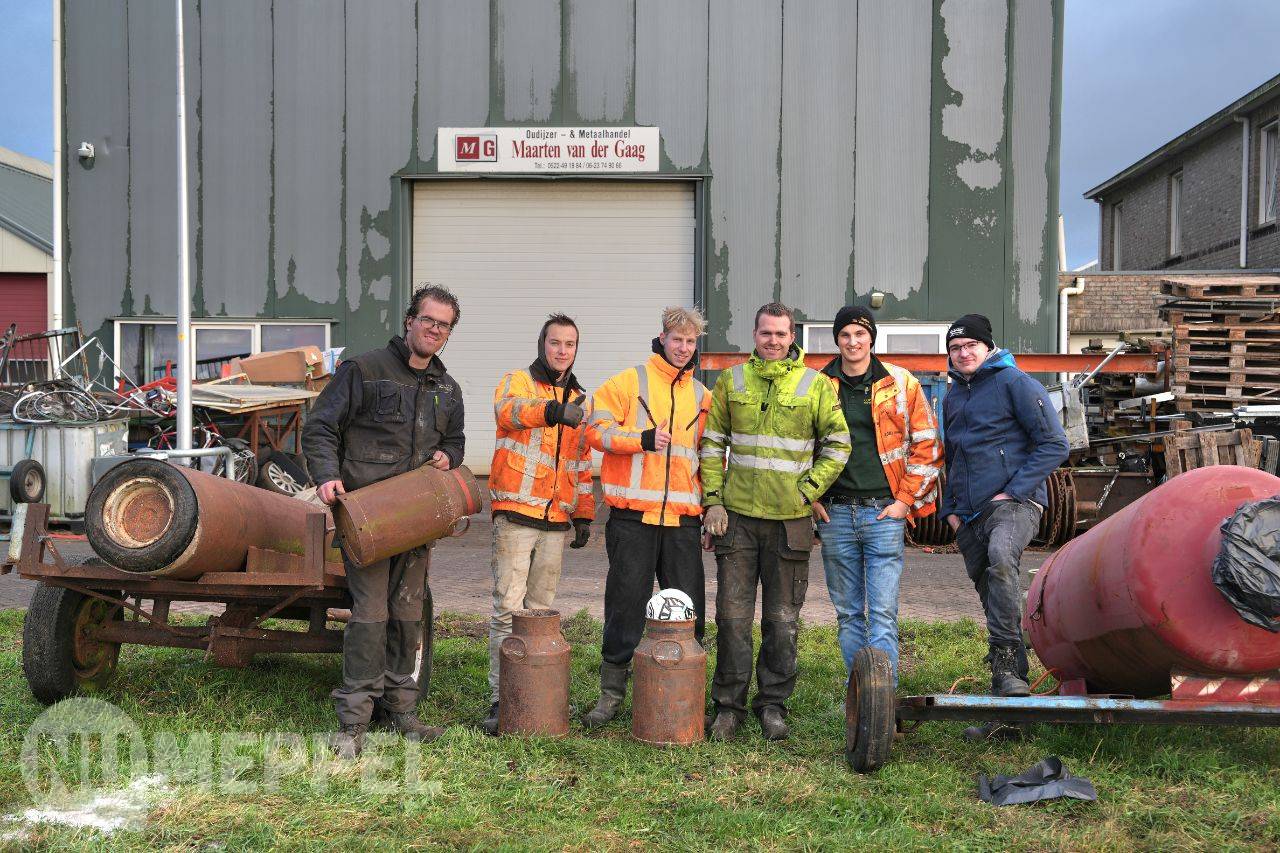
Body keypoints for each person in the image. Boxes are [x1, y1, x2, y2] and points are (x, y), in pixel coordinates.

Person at [303, 284, 465, 759]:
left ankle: (401, 711)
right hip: (368, 518)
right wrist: (327, 476)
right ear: (410, 320)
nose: (434, 329)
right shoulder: (365, 370)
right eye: (428, 320)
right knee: (370, 617)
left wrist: (448, 454)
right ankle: (354, 721)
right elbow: (320, 427)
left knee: (408, 615)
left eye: (444, 325)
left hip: (416, 520)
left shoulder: (446, 387)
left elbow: (456, 441)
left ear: (448, 333)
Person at [700, 302, 851, 741]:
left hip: (790, 522)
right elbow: (712, 445)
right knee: (731, 617)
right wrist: (713, 501)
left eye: (781, 334)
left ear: (792, 337)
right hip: (738, 520)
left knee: (782, 620)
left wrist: (808, 490)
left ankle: (773, 706)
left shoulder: (816, 385)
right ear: (755, 333)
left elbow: (839, 444)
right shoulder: (732, 381)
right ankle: (728, 708)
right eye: (766, 333)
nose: (773, 340)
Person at [581, 306, 712, 727]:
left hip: (683, 522)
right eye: (678, 340)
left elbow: (710, 460)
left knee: (689, 608)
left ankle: (686, 689)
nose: (684, 348)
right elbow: (593, 433)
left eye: (691, 342)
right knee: (625, 606)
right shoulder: (628, 382)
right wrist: (640, 439)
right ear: (662, 338)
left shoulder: (702, 396)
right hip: (632, 518)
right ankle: (611, 695)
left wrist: (713, 508)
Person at [941, 313, 1069, 697]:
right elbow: (952, 459)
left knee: (1001, 557)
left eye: (970, 346)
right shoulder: (953, 396)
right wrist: (950, 513)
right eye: (955, 348)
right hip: (967, 516)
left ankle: (1006, 662)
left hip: (1015, 504)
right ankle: (1011, 688)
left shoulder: (1015, 383)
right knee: (993, 590)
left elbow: (1055, 444)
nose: (963, 353)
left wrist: (1013, 491)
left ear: (988, 346)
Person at [815, 306, 942, 685]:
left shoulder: (901, 383)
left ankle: (882, 700)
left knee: (883, 613)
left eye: (860, 334)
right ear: (836, 340)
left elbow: (928, 445)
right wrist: (812, 498)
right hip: (835, 514)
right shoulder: (819, 384)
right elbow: (802, 445)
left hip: (882, 513)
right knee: (848, 613)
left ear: (871, 338)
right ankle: (861, 700)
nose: (853, 342)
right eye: (845, 335)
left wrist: (904, 501)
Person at [481, 313, 594, 735]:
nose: (561, 351)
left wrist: (583, 513)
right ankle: (500, 698)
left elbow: (582, 462)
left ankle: (532, 693)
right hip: (515, 512)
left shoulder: (583, 399)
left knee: (540, 612)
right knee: (508, 611)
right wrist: (552, 410)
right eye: (554, 343)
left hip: (555, 518)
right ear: (542, 344)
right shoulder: (517, 381)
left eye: (569, 344)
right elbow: (507, 413)